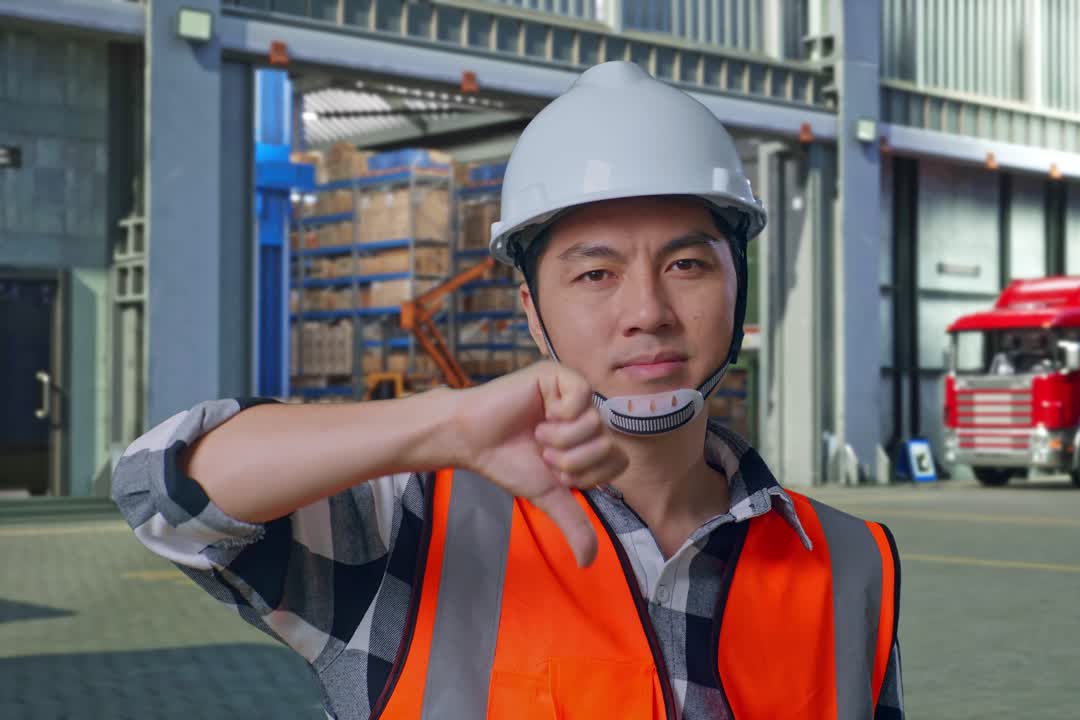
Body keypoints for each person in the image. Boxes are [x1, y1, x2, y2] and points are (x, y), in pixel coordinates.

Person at [112, 61, 904, 720]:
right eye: (596, 274)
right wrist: (440, 425)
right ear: (532, 310)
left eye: (687, 264)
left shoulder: (847, 562)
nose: (648, 313)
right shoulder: (409, 528)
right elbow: (164, 495)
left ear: (739, 284)